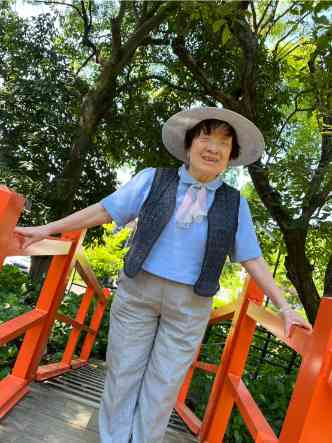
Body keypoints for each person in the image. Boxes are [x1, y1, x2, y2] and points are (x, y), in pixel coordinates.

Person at [15, 107, 312, 443]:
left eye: (224, 143)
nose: (213, 148)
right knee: (122, 375)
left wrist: (285, 307)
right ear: (189, 145)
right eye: (206, 137)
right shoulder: (152, 178)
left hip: (190, 306)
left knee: (164, 386)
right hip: (137, 293)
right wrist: (47, 228)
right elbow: (103, 210)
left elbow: (252, 258)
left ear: (231, 156)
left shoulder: (234, 203)